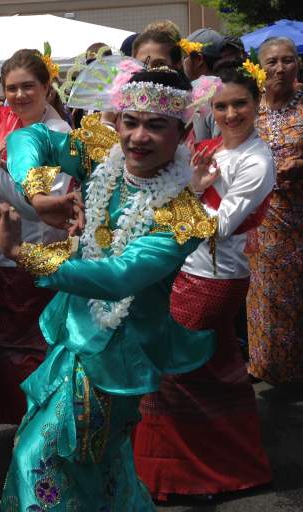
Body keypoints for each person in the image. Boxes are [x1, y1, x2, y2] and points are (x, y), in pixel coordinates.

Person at [0, 63, 217, 511]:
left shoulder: (185, 216)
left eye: (156, 126)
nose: (137, 138)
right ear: (116, 121)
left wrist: (25, 253)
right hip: (73, 335)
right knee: (95, 464)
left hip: (120, 359)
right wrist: (38, 195)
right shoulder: (102, 155)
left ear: (182, 130)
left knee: (40, 459)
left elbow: (119, 277)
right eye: (130, 122)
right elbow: (27, 138)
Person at [134, 59, 274, 501]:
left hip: (213, 277)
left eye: (241, 105)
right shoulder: (211, 147)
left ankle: (194, 477)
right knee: (207, 374)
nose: (231, 114)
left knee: (180, 375)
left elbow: (219, 226)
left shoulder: (256, 159)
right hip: (189, 270)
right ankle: (223, 468)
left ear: (257, 104)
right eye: (222, 105)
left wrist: (191, 194)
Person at [0, 48, 73, 428]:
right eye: (11, 88)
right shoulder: (2, 122)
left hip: (34, 253)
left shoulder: (58, 134)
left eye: (28, 86)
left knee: (32, 349)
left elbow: (42, 207)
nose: (18, 96)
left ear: (47, 86)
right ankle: (13, 420)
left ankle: (40, 428)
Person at [248, 37, 303, 385]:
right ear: (259, 66)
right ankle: (264, 365)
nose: (280, 68)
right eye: (272, 61)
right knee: (264, 294)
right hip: (261, 219)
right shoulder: (250, 107)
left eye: (288, 60)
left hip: (298, 213)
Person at [181, 28, 225, 142]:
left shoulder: (198, 90)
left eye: (185, 57)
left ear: (199, 59)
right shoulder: (230, 87)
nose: (183, 62)